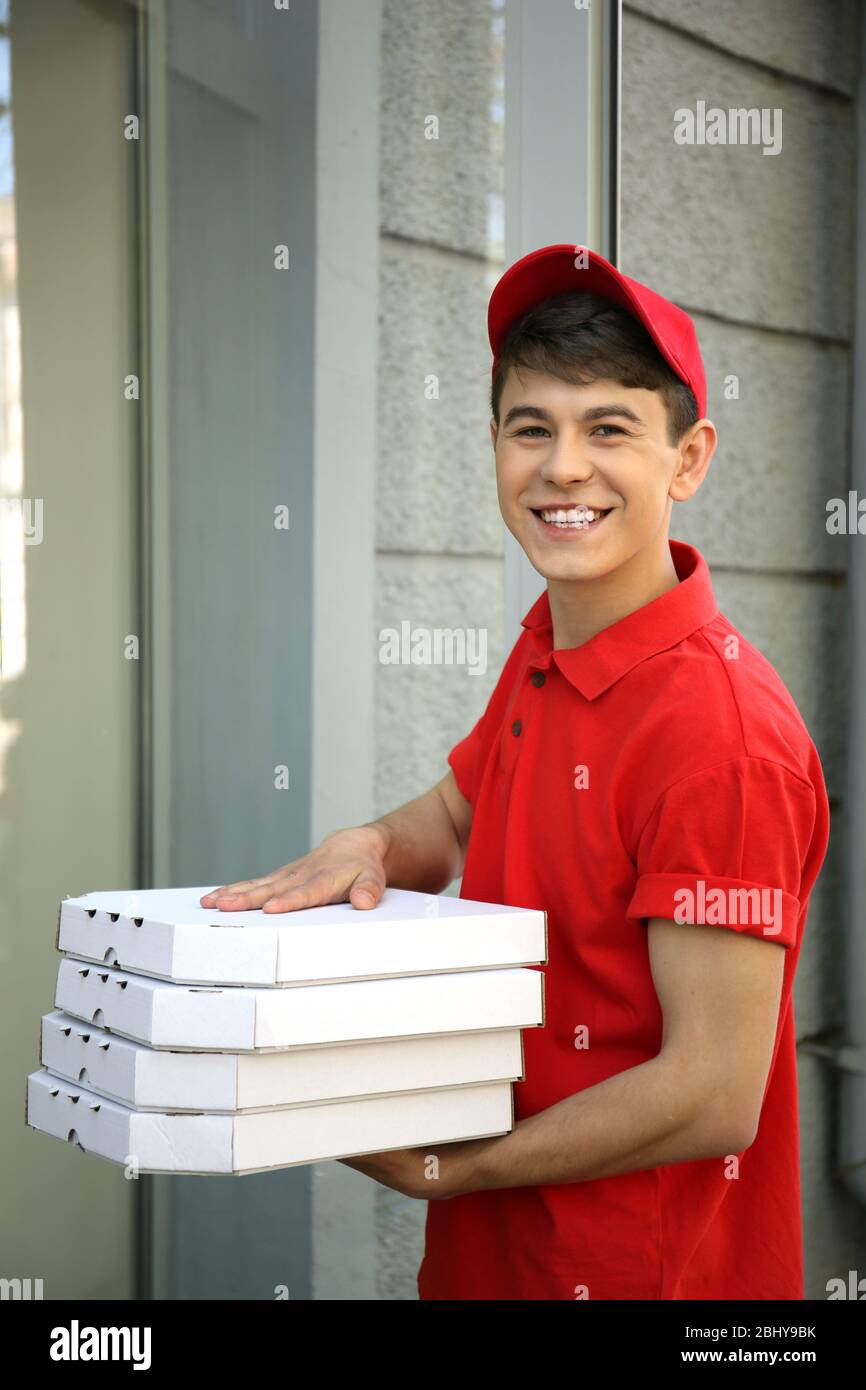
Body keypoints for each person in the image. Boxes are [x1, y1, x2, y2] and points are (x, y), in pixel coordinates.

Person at [201, 244, 830, 1300]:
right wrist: (370, 845)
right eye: (529, 427)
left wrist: (453, 1167)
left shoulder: (721, 735)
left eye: (608, 429)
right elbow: (457, 810)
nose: (562, 467)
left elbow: (712, 1090)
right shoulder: (551, 646)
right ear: (492, 444)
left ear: (687, 460)